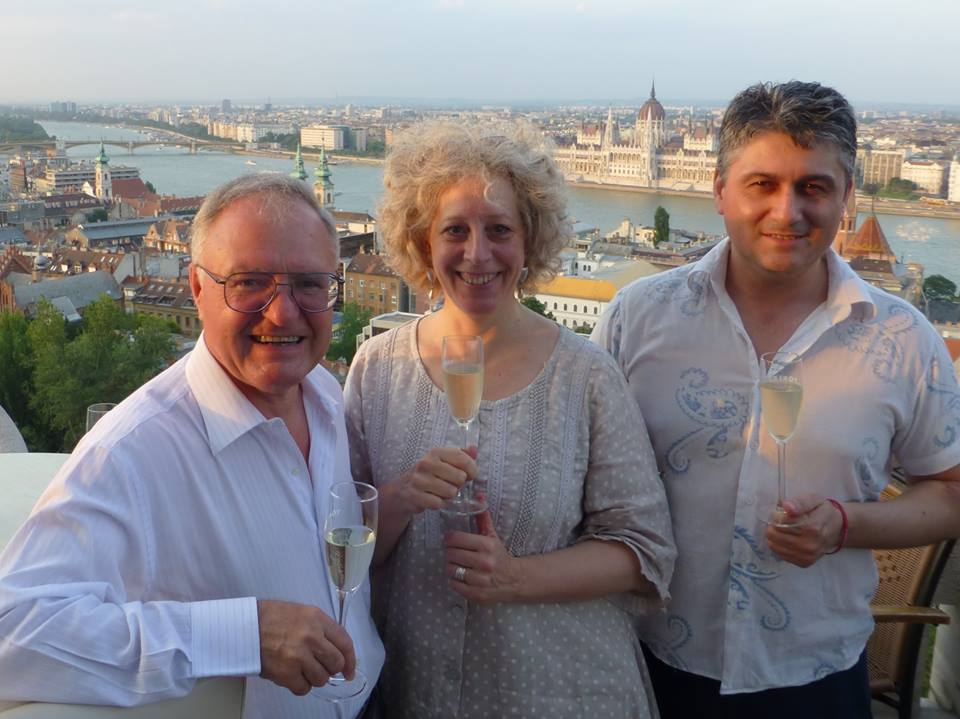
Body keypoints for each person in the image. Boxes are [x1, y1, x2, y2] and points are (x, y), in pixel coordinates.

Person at [592, 80, 960, 718]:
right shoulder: (637, 318)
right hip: (646, 662)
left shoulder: (904, 340)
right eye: (761, 184)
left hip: (814, 674)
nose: (787, 212)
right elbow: (578, 468)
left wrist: (845, 525)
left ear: (845, 198)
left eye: (814, 187)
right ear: (719, 192)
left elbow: (952, 493)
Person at [0, 174, 384, 718]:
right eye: (249, 283)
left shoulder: (322, 391)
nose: (283, 312)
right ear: (198, 289)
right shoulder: (135, 451)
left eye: (310, 284)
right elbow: (11, 630)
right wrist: (241, 635)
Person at [344, 122, 676, 718]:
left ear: (530, 242)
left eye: (499, 230)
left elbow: (644, 553)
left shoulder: (586, 376)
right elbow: (341, 540)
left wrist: (514, 577)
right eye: (455, 231)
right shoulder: (377, 368)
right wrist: (397, 498)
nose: (477, 254)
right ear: (422, 244)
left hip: (557, 691)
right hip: (414, 692)